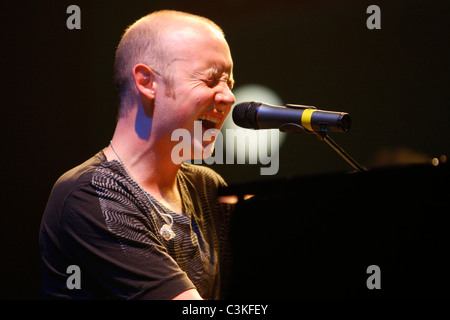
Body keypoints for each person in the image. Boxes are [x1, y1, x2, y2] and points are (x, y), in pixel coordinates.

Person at [39, 10, 236, 300]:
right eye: (210, 81)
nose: (228, 97)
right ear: (147, 82)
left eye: (229, 84)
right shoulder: (91, 192)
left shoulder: (207, 187)